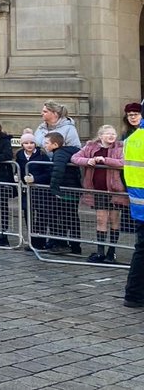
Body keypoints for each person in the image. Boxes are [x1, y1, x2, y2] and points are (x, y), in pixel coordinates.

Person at [73, 125, 128, 263]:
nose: (111, 136)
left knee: (114, 220)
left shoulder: (120, 147)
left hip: (116, 190)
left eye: (113, 134)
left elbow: (123, 162)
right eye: (108, 134)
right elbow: (75, 158)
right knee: (101, 219)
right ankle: (100, 252)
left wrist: (105, 160)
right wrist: (88, 161)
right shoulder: (91, 147)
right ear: (101, 135)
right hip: (98, 190)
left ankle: (112, 252)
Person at [41, 131, 82, 256]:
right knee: (71, 217)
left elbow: (58, 171)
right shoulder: (67, 151)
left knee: (65, 217)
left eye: (47, 143)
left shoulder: (59, 154)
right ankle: (74, 245)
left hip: (66, 190)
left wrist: (54, 189)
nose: (44, 145)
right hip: (72, 188)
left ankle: (65, 244)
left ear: (55, 144)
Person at [16, 131, 54, 250]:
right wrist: (16, 176)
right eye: (26, 143)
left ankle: (40, 240)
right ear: (22, 144)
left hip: (40, 190)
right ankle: (32, 241)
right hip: (26, 191)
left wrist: (35, 179)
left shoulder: (42, 155)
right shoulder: (19, 155)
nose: (29, 145)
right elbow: (17, 168)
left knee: (42, 215)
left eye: (32, 142)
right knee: (28, 215)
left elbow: (49, 173)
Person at [122, 101, 144, 308]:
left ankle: (134, 294)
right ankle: (135, 295)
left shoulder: (132, 138)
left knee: (141, 250)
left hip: (138, 204)